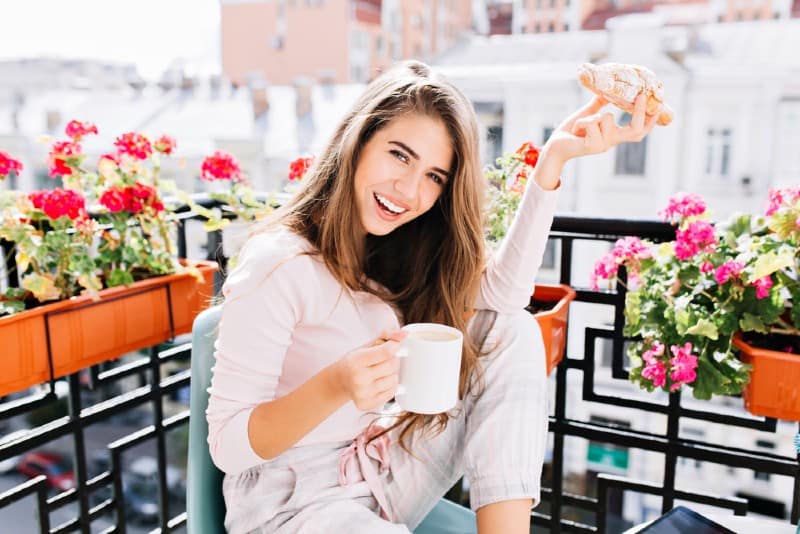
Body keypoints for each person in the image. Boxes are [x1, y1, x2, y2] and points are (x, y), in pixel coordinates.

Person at [206, 60, 662, 534]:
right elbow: (228, 446)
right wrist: (335, 385)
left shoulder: (389, 252)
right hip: (289, 502)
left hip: (375, 468)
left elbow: (504, 299)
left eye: (434, 176)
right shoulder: (278, 265)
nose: (409, 190)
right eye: (399, 155)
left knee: (511, 330)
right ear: (357, 142)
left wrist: (552, 162)